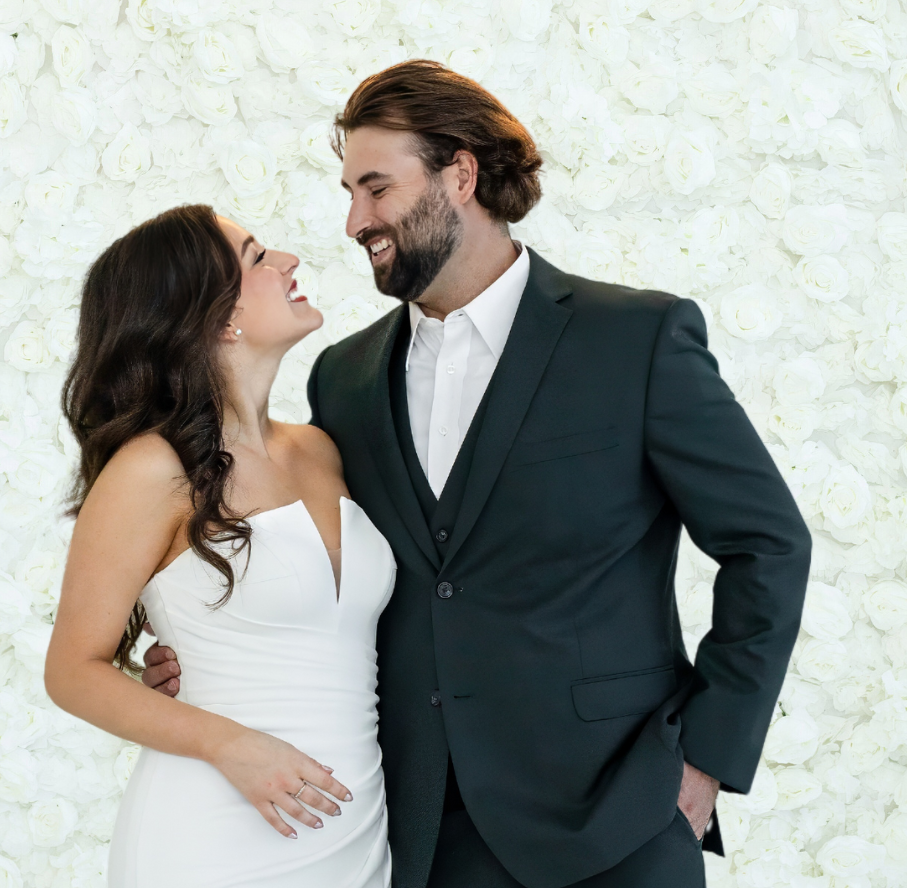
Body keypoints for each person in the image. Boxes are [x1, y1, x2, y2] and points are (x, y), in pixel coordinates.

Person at [143, 62, 812, 888]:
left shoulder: (634, 339)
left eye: (376, 188)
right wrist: (194, 654)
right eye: (349, 191)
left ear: (460, 174)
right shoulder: (343, 380)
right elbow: (321, 565)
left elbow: (768, 545)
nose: (355, 220)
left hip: (619, 815)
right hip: (419, 828)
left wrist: (708, 761)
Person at [44, 204, 395, 888]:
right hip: (215, 824)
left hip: (351, 825)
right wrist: (232, 746)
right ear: (213, 316)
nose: (289, 260)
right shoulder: (153, 469)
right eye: (259, 257)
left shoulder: (320, 449)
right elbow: (72, 670)